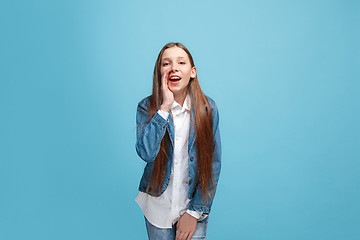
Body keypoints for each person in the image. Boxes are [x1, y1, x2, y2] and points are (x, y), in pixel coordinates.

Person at [135, 42, 221, 240]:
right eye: (166, 64)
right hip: (157, 207)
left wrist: (194, 212)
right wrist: (164, 108)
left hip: (193, 206)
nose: (173, 67)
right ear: (159, 72)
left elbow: (213, 165)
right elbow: (147, 153)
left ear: (192, 72)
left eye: (181, 62)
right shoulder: (146, 107)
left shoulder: (208, 109)